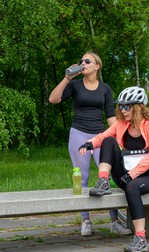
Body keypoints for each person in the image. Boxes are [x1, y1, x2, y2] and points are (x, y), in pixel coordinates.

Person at [49, 51, 131, 237]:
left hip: (100, 136)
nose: (83, 63)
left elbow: (111, 116)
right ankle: (85, 221)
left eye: (87, 61)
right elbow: (53, 99)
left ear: (97, 66)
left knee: (107, 177)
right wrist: (66, 78)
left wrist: (122, 137)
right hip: (79, 134)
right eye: (81, 61)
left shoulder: (105, 88)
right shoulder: (75, 85)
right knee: (83, 177)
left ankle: (114, 221)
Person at [78, 86, 149, 252]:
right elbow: (103, 136)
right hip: (126, 173)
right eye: (120, 107)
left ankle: (140, 239)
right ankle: (103, 181)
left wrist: (132, 175)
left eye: (126, 107)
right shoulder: (121, 124)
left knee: (132, 187)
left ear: (138, 107)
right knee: (109, 141)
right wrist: (90, 143)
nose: (122, 111)